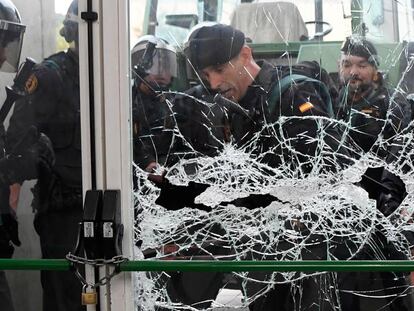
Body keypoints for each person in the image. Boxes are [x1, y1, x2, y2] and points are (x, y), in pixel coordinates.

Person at [170, 23, 351, 311]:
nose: (214, 83)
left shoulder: (293, 94)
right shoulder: (241, 103)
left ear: (245, 54)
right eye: (207, 75)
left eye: (219, 69)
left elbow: (325, 171)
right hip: (263, 242)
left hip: (306, 246)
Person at [6, 1, 83, 310]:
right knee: (63, 296)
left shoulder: (112, 80)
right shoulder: (50, 75)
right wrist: (11, 194)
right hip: (62, 213)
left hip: (107, 211)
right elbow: (19, 138)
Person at [336, 36, 408, 201]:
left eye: (362, 65)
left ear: (375, 70)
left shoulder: (392, 105)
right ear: (338, 67)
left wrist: (390, 199)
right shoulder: (330, 103)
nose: (353, 72)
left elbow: (399, 156)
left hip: (382, 195)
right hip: (341, 196)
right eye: (346, 65)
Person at [130, 35, 177, 176]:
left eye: (166, 66)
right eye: (154, 66)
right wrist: (147, 163)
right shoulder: (126, 102)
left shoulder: (178, 102)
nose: (161, 73)